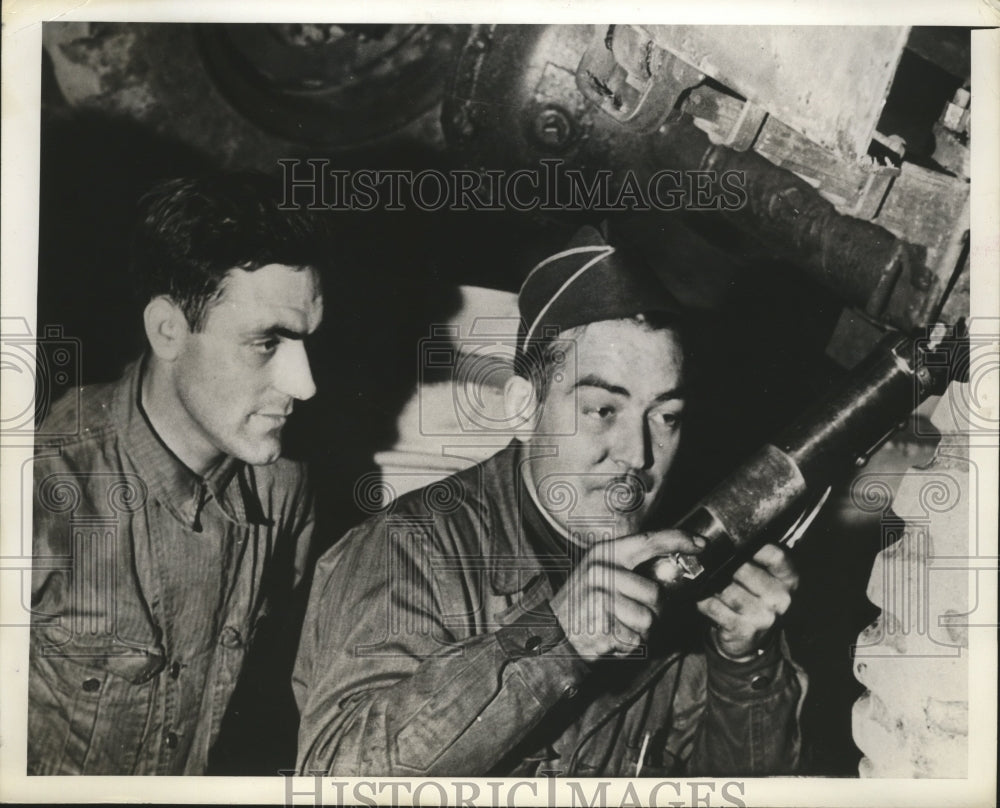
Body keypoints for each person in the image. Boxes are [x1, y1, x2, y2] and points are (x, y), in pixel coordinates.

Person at [293, 225, 806, 777]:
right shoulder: (409, 551)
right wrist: (555, 640)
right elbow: (335, 781)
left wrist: (742, 664)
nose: (637, 455)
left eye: (666, 417)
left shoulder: (678, 576)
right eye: (602, 410)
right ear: (522, 409)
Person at [29, 173, 324, 775]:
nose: (305, 385)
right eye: (266, 343)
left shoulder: (284, 486)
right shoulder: (41, 485)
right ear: (168, 330)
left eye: (306, 344)